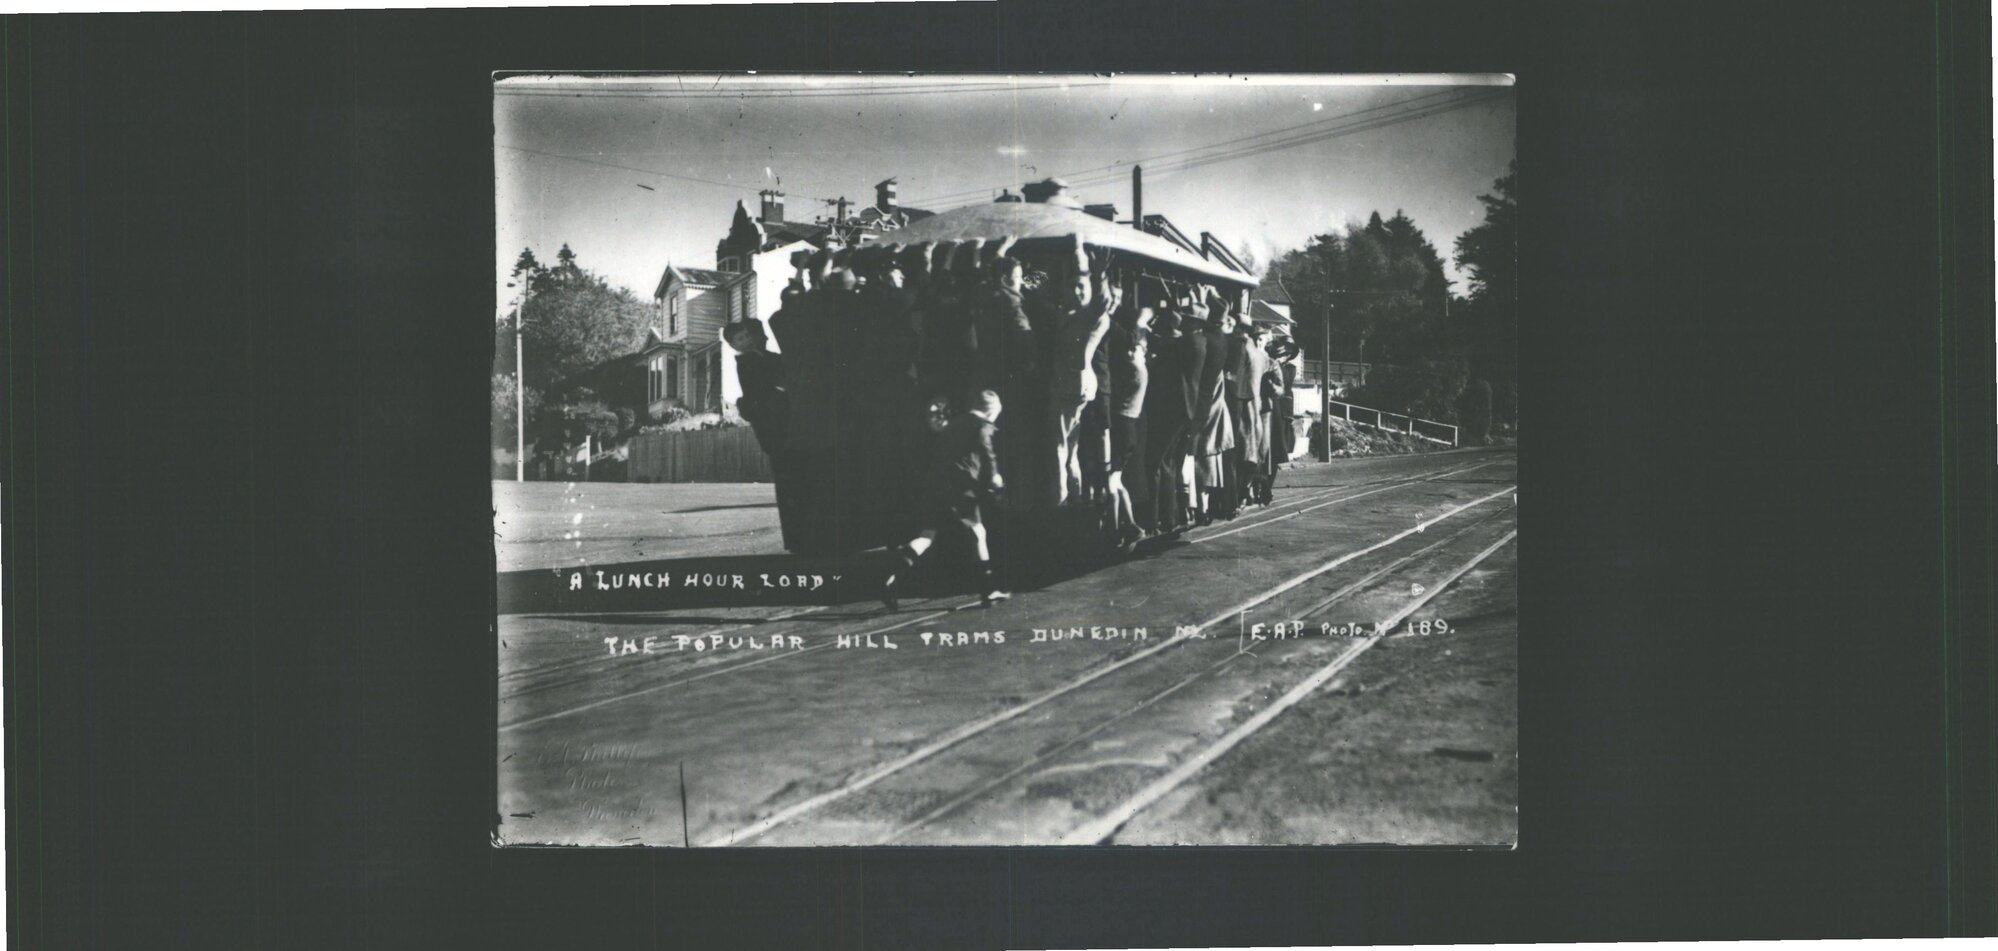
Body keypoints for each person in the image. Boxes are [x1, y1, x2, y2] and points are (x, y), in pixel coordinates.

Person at [881, 388, 1010, 609]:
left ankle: (892, 571)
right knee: (978, 533)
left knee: (927, 535)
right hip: (960, 487)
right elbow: (987, 453)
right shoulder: (982, 427)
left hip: (935, 484)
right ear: (991, 411)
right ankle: (988, 589)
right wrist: (994, 479)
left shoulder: (956, 423)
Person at [724, 318, 802, 542]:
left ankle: (799, 534)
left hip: (780, 423)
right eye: (740, 339)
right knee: (787, 480)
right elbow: (755, 398)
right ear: (733, 345)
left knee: (791, 479)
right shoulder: (747, 363)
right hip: (774, 427)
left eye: (747, 336)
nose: (747, 341)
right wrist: (779, 389)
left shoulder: (763, 357)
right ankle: (796, 536)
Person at [1047, 248, 1114, 507]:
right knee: (1068, 448)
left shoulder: (1090, 316)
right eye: (1073, 286)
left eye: (1081, 287)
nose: (1077, 292)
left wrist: (1099, 276)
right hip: (1073, 385)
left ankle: (1062, 501)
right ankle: (1073, 496)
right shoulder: (1074, 314)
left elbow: (1101, 302)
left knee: (1059, 448)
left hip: (1070, 386)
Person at [1141, 294, 1195, 535]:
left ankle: (1152, 520)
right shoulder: (1185, 346)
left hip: (1165, 412)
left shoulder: (1167, 350)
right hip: (1183, 412)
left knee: (1154, 464)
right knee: (1170, 463)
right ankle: (1170, 518)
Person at [1103, 294, 1152, 544]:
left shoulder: (1134, 368)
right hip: (1130, 426)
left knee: (1111, 480)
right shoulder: (1142, 366)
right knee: (1117, 479)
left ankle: (1117, 528)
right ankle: (1130, 523)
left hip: (1122, 426)